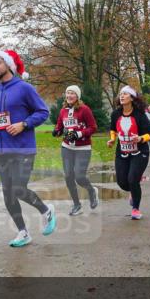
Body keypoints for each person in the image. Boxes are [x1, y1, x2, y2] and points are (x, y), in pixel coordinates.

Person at [0, 49, 54, 247]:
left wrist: (24, 124)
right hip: (2, 151)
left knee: (19, 189)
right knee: (8, 195)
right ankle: (23, 232)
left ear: (9, 65)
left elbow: (43, 112)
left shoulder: (24, 88)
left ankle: (46, 210)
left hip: (23, 148)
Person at [52, 85, 98, 216]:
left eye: (72, 93)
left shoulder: (84, 109)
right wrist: (56, 131)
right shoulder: (63, 111)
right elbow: (60, 126)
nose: (69, 96)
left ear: (77, 96)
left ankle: (91, 191)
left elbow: (93, 127)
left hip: (83, 148)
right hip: (67, 147)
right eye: (67, 93)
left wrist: (79, 134)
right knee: (68, 176)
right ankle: (77, 205)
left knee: (79, 176)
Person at [107, 86, 150, 220]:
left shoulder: (139, 115)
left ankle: (135, 209)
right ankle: (132, 191)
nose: (121, 96)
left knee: (133, 179)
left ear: (131, 98)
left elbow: (149, 134)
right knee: (122, 182)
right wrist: (112, 140)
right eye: (120, 94)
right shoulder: (115, 114)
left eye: (125, 94)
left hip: (140, 152)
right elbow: (113, 129)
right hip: (122, 152)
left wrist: (140, 138)